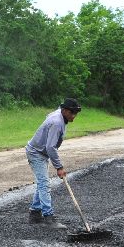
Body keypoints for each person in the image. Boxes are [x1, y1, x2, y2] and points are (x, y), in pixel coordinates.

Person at [26, 98, 81, 229]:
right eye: (72, 113)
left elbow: (48, 117)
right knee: (44, 184)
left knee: (42, 183)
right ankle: (48, 217)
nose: (74, 116)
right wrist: (59, 167)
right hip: (36, 153)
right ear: (64, 111)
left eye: (75, 113)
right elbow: (51, 147)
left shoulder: (58, 114)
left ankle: (34, 214)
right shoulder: (57, 122)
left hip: (40, 152)